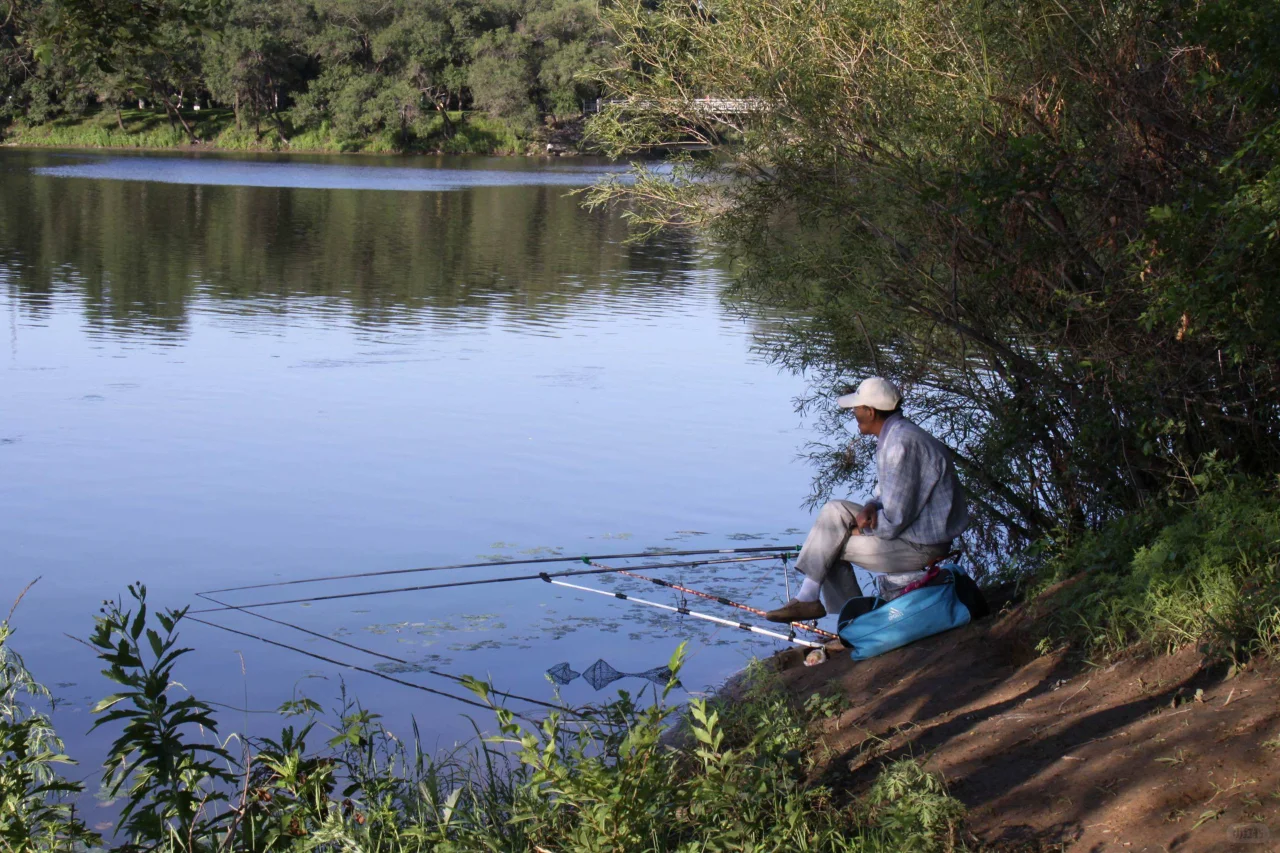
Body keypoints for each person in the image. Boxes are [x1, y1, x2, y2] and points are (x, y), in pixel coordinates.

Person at [765, 377, 968, 623]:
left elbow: (894, 521)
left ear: (870, 412)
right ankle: (808, 597)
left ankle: (852, 622)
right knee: (834, 511)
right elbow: (888, 495)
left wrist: (862, 532)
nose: (854, 413)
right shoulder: (896, 434)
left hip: (921, 545)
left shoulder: (901, 444)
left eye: (857, 408)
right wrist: (872, 505)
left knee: (830, 549)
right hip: (910, 532)